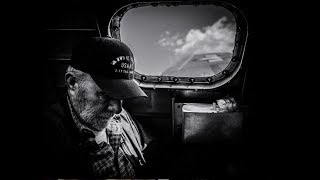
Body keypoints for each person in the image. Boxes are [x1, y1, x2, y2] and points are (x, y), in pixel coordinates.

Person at [43, 37, 153, 178]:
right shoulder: (50, 138)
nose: (117, 109)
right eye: (105, 94)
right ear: (72, 83)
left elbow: (150, 147)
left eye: (122, 95)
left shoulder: (122, 117)